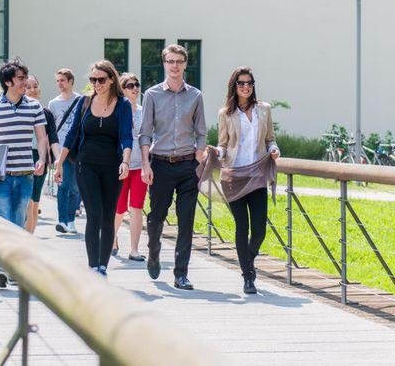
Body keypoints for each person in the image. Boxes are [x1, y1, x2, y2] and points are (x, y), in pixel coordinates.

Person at [54, 60, 132, 277]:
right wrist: (59, 163)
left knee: (108, 216)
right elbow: (71, 135)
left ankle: (103, 266)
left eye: (101, 79)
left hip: (112, 167)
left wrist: (126, 162)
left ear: (111, 79)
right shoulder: (85, 102)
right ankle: (92, 265)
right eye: (93, 79)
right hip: (86, 164)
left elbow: (126, 136)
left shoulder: (123, 104)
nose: (97, 84)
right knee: (94, 214)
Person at [139, 44, 206, 290]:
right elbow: (145, 133)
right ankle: (153, 251)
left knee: (186, 220)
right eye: (170, 61)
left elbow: (201, 132)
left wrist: (198, 157)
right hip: (161, 164)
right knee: (156, 217)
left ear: (185, 64)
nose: (174, 66)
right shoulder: (152, 95)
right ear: (164, 64)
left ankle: (181, 273)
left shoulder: (195, 95)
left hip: (188, 165)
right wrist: (146, 165)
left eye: (179, 61)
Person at [0, 58, 48, 288]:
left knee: (18, 223)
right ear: (8, 82)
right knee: (1, 222)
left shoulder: (34, 106)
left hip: (26, 173)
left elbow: (41, 136)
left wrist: (42, 158)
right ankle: (0, 269)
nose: (25, 82)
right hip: (0, 176)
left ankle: (15, 269)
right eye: (20, 79)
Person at [211, 66, 279, 294]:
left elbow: (270, 138)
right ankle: (248, 276)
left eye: (249, 83)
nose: (246, 87)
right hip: (234, 176)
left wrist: (274, 149)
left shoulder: (264, 109)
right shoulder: (226, 113)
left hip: (257, 174)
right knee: (242, 226)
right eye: (241, 83)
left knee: (259, 230)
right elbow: (223, 144)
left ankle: (246, 260)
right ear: (234, 86)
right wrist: (217, 153)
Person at [112, 73, 146, 261]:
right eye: (130, 85)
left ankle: (134, 249)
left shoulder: (144, 111)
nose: (135, 88)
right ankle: (112, 238)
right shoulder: (118, 111)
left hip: (140, 166)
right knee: (119, 208)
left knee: (137, 207)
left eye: (136, 84)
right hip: (121, 166)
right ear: (122, 89)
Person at [24, 75, 60, 234]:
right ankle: (25, 240)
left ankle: (29, 240)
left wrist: (58, 160)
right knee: (28, 202)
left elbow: (53, 138)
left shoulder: (46, 113)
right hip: (22, 158)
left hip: (40, 158)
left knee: (35, 202)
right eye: (28, 87)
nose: (32, 90)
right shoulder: (19, 110)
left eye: (35, 86)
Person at [48, 68, 82, 234]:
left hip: (77, 150)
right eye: (58, 80)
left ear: (70, 82)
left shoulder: (81, 100)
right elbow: (52, 130)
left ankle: (71, 220)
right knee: (63, 186)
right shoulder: (53, 104)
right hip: (61, 151)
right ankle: (62, 221)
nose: (59, 84)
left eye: (62, 80)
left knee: (74, 187)